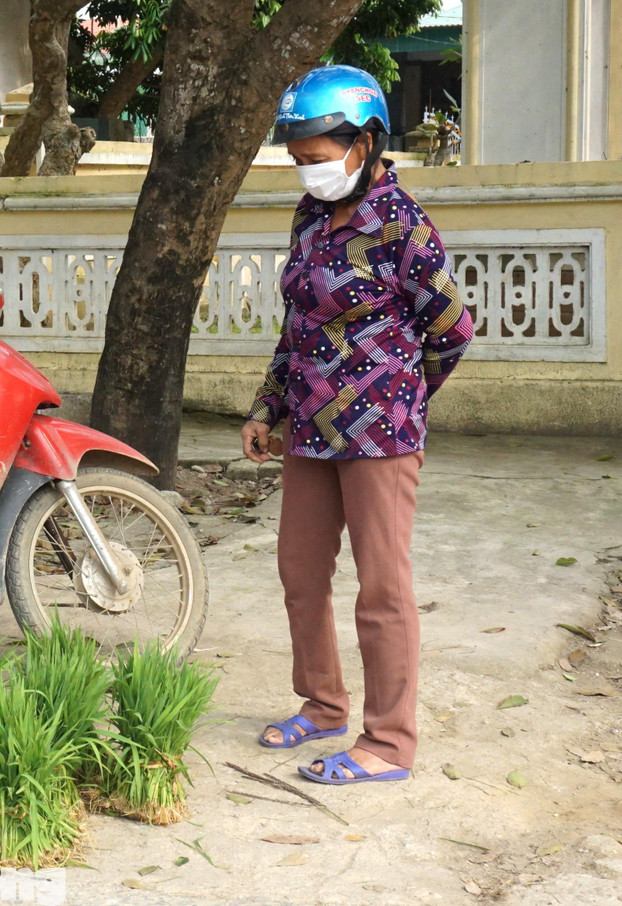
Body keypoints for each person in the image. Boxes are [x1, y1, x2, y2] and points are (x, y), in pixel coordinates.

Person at [240, 65, 475, 785]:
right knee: (301, 572)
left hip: (382, 439)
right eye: (299, 160)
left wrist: (402, 397)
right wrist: (267, 406)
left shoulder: (402, 225)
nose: (308, 172)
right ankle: (322, 702)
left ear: (365, 141)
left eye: (317, 157)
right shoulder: (310, 218)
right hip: (309, 429)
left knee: (382, 589)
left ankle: (388, 741)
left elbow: (452, 328)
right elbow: (297, 323)